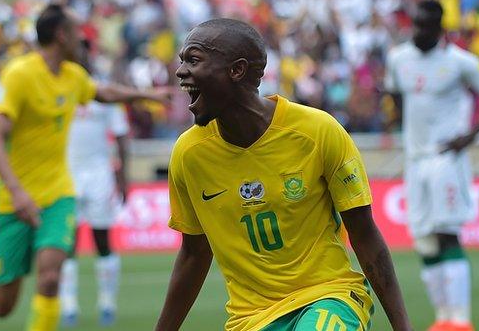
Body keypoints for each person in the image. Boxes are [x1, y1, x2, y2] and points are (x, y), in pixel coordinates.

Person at [155, 18, 412, 331]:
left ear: (236, 70)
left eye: (193, 60)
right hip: (251, 320)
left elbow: (364, 234)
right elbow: (194, 253)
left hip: (329, 296)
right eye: (182, 61)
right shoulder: (189, 154)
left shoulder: (318, 132)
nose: (180, 72)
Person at [0, 3, 167, 331]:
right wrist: (17, 192)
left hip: (59, 194)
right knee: (1, 305)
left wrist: (145, 94)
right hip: (14, 201)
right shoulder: (19, 75)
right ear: (61, 36)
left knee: (50, 278)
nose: (82, 37)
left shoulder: (74, 76)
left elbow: (102, 92)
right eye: (78, 31)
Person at [384, 0, 479, 331]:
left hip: (445, 159)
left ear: (440, 29)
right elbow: (395, 93)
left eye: (426, 26)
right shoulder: (398, 58)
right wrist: (400, 120)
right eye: (416, 24)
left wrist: (470, 136)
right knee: (423, 239)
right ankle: (443, 319)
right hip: (414, 159)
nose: (419, 32)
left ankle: (461, 320)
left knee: (446, 233)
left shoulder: (460, 62)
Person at [59, 40, 131, 327]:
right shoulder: (60, 89)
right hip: (64, 177)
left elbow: (122, 135)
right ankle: (69, 307)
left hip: (99, 175)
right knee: (67, 244)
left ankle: (107, 304)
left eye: (81, 52)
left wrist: (123, 176)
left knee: (102, 240)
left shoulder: (104, 92)